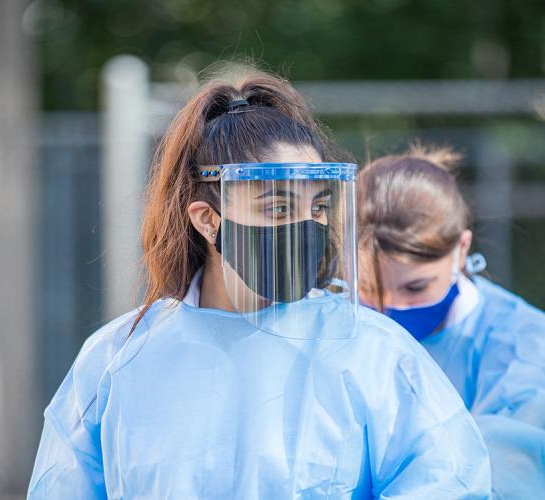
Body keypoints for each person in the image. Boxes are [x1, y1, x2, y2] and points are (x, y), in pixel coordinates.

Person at [28, 69, 491, 499]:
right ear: (208, 220)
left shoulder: (371, 352)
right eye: (277, 207)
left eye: (317, 206)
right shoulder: (118, 360)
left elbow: (449, 482)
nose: (304, 226)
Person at [358, 144, 545, 499]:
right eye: (367, 288)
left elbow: (498, 477)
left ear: (461, 250)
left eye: (416, 287)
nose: (392, 309)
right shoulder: (331, 325)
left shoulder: (525, 349)